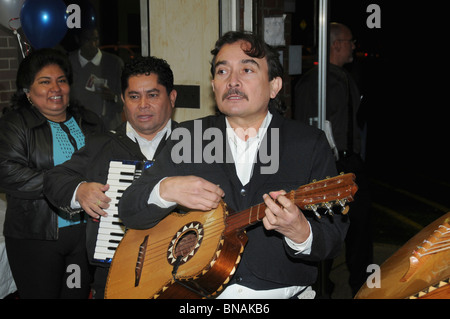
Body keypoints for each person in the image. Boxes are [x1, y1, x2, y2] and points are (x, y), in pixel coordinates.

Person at [118, 31, 349, 299]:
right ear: (214, 85)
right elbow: (129, 208)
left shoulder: (307, 144)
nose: (233, 81)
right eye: (222, 71)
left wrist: (301, 232)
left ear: (274, 86)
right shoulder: (190, 138)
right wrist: (166, 189)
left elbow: (333, 238)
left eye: (247, 69)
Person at [44, 56, 178, 299]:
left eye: (153, 95)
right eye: (134, 96)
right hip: (115, 273)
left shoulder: (193, 145)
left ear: (171, 98)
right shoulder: (101, 145)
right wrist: (80, 190)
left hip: (180, 274)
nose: (143, 105)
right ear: (124, 100)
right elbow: (54, 179)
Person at [0, 48, 104, 299]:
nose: (55, 88)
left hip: (83, 235)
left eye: (62, 81)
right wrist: (71, 189)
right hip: (36, 237)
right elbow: (7, 172)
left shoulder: (89, 121)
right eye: (45, 82)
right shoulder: (14, 124)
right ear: (27, 91)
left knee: (76, 295)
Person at [293, 22, 372, 297]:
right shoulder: (340, 79)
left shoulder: (305, 81)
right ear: (336, 44)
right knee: (359, 233)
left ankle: (320, 287)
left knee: (321, 229)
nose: (353, 47)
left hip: (313, 167)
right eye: (350, 41)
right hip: (344, 166)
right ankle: (360, 286)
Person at [69, 27, 124, 130]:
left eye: (95, 39)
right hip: (77, 128)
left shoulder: (114, 63)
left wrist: (113, 97)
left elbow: (125, 102)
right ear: (78, 40)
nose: (93, 44)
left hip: (108, 128)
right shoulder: (69, 62)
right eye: (87, 40)